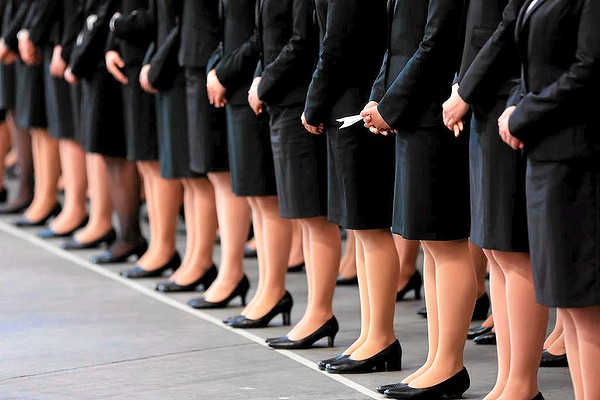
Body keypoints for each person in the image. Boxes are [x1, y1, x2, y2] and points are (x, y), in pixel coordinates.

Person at [362, 0, 476, 397]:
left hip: (434, 113)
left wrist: (392, 105)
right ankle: (436, 359)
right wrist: (378, 97)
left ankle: (449, 364)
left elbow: (436, 43)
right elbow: (396, 42)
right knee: (430, 244)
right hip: (411, 112)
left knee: (446, 242)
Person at [442, 0, 549, 398]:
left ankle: (522, 383)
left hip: (506, 93)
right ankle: (507, 380)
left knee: (512, 246)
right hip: (484, 95)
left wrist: (466, 89)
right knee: (493, 250)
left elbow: (507, 26)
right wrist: (462, 85)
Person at [496, 0, 600, 398]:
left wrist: (526, 114)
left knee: (585, 305)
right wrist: (514, 107)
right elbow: (532, 67)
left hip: (579, 157)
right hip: (546, 156)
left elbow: (589, 68)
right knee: (570, 306)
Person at [301, 0, 401, 368]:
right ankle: (370, 332)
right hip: (349, 99)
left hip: (356, 103)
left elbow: (337, 43)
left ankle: (382, 337)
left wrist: (313, 102)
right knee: (360, 228)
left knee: (371, 224)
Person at [194, 0, 291, 314]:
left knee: (266, 196)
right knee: (252, 196)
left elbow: (260, 37)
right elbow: (227, 28)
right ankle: (264, 287)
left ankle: (274, 289)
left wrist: (224, 71)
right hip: (235, 86)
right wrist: (215, 66)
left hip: (254, 86)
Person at [20, 0, 90, 241]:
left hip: (66, 37)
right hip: (52, 36)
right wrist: (27, 31)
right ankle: (48, 197)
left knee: (69, 129)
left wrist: (65, 43)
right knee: (53, 127)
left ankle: (75, 206)